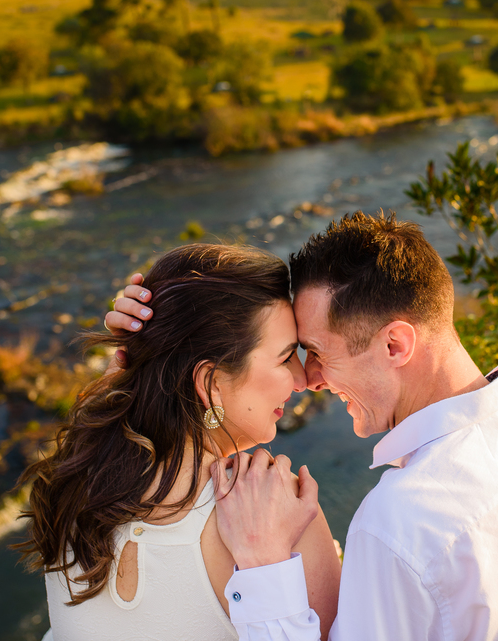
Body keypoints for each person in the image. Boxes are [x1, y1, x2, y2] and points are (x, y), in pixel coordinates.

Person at [108, 211, 498, 641]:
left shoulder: (397, 523)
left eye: (316, 353)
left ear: (395, 345)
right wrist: (155, 356)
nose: (309, 379)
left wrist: (265, 566)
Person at [19, 243, 341, 641]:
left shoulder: (75, 480)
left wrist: (138, 353)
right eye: (286, 357)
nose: (303, 379)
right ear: (210, 383)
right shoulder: (279, 513)